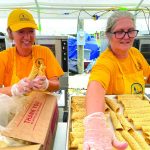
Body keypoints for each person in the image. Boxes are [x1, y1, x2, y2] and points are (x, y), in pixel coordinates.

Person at [83, 11, 150, 149]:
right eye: (120, 32)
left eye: (130, 31)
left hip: (138, 116)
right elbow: (95, 87)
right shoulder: (105, 61)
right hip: (115, 126)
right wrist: (95, 124)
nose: (126, 37)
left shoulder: (135, 54)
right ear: (108, 35)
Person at [0, 8, 64, 96]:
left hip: (44, 106)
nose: (27, 37)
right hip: (15, 108)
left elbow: (56, 85)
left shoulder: (44, 52)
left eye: (31, 31)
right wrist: (14, 90)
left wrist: (47, 84)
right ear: (10, 33)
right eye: (21, 32)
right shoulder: (3, 57)